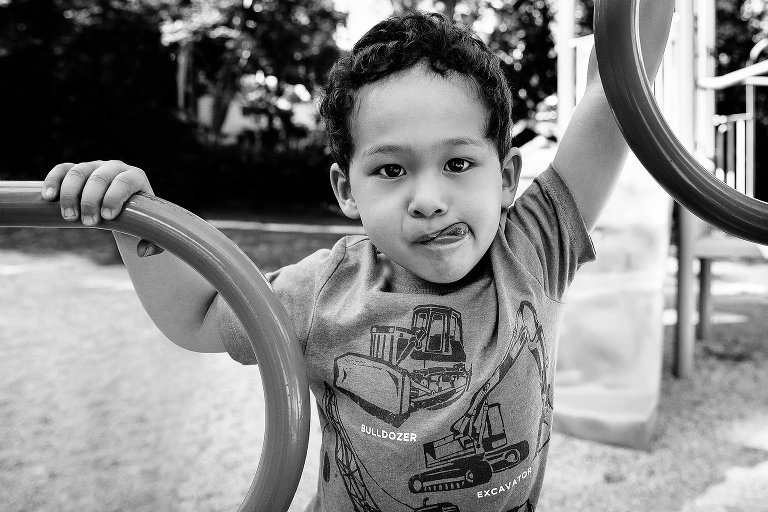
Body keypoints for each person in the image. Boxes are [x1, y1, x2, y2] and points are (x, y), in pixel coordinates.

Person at [41, 3, 673, 511]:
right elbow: (200, 318)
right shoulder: (326, 291)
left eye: (458, 163)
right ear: (347, 189)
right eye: (392, 169)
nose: (429, 199)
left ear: (507, 177)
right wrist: (132, 220)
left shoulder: (533, 249)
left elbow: (617, 86)